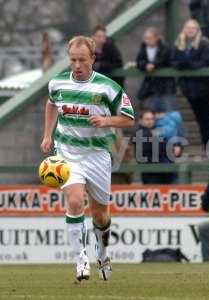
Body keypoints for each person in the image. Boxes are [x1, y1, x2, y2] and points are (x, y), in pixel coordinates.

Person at [40, 36, 135, 281]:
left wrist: (107, 121)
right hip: (68, 152)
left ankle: (102, 253)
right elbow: (51, 105)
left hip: (97, 155)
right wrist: (47, 135)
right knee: (73, 201)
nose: (77, 65)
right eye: (73, 60)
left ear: (93, 58)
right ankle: (81, 261)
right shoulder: (58, 83)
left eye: (82, 60)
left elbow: (128, 118)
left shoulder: (108, 87)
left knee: (100, 214)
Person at [171, 19, 209, 147]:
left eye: (193, 28)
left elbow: (205, 62)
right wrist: (184, 64)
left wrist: (188, 64)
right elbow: (175, 61)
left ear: (197, 30)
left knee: (208, 114)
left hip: (203, 86)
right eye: (188, 28)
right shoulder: (179, 44)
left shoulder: (204, 44)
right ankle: (206, 141)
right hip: (188, 87)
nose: (190, 30)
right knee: (198, 116)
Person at [136, 27, 176, 111]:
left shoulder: (165, 47)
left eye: (150, 38)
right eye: (146, 38)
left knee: (169, 111)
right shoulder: (143, 48)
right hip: (151, 86)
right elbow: (139, 61)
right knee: (153, 112)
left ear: (156, 38)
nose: (147, 40)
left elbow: (165, 59)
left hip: (166, 85)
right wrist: (145, 66)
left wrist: (154, 65)